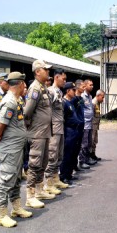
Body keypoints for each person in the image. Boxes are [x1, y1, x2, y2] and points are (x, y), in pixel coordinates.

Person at [0, 72, 32, 228]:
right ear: (19, 84)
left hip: (17, 147)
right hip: (9, 149)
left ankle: (16, 208)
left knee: (16, 179)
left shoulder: (16, 100)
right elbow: (0, 126)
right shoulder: (9, 102)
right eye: (24, 84)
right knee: (6, 180)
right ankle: (1, 215)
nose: (25, 87)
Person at [24, 59, 55, 209]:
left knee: (43, 162)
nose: (48, 72)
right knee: (35, 163)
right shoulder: (35, 89)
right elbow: (27, 112)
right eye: (45, 69)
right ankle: (30, 196)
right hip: (37, 132)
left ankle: (39, 190)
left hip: (45, 131)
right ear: (37, 71)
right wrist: (30, 129)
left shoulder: (43, 88)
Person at [45, 68, 69, 194]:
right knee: (52, 154)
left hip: (60, 127)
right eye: (63, 79)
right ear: (56, 77)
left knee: (59, 154)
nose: (65, 81)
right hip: (54, 127)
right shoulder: (51, 91)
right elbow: (46, 110)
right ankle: (48, 183)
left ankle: (55, 178)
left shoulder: (59, 91)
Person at [60, 82, 82, 184]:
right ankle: (63, 176)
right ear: (68, 91)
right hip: (68, 131)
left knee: (72, 154)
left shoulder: (70, 102)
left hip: (74, 131)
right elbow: (62, 119)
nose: (74, 92)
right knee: (67, 154)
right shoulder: (64, 103)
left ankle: (68, 174)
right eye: (73, 90)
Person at [79, 79, 96, 169]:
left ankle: (87, 158)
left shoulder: (89, 96)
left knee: (89, 142)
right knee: (84, 143)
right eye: (90, 85)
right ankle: (82, 161)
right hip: (85, 123)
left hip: (90, 123)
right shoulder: (82, 96)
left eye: (92, 85)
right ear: (85, 86)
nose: (92, 86)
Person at [72, 80, 86, 172]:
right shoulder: (73, 99)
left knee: (78, 147)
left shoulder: (81, 99)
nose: (84, 88)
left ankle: (76, 164)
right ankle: (72, 165)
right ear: (77, 87)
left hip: (81, 124)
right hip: (75, 126)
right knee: (73, 147)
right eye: (83, 87)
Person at [90, 90, 105, 162]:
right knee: (91, 140)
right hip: (92, 125)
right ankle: (89, 156)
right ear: (98, 96)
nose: (103, 99)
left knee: (95, 140)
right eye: (102, 97)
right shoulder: (93, 103)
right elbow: (90, 115)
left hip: (95, 126)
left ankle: (93, 154)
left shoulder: (97, 103)